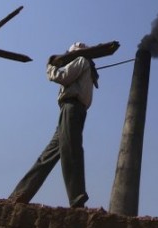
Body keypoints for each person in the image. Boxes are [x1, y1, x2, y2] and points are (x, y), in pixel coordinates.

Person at [10, 42, 98, 208]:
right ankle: (20, 194)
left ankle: (77, 197)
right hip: (73, 110)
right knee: (49, 156)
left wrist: (50, 67)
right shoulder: (87, 65)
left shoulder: (80, 60)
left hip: (71, 108)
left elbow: (61, 77)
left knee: (71, 151)